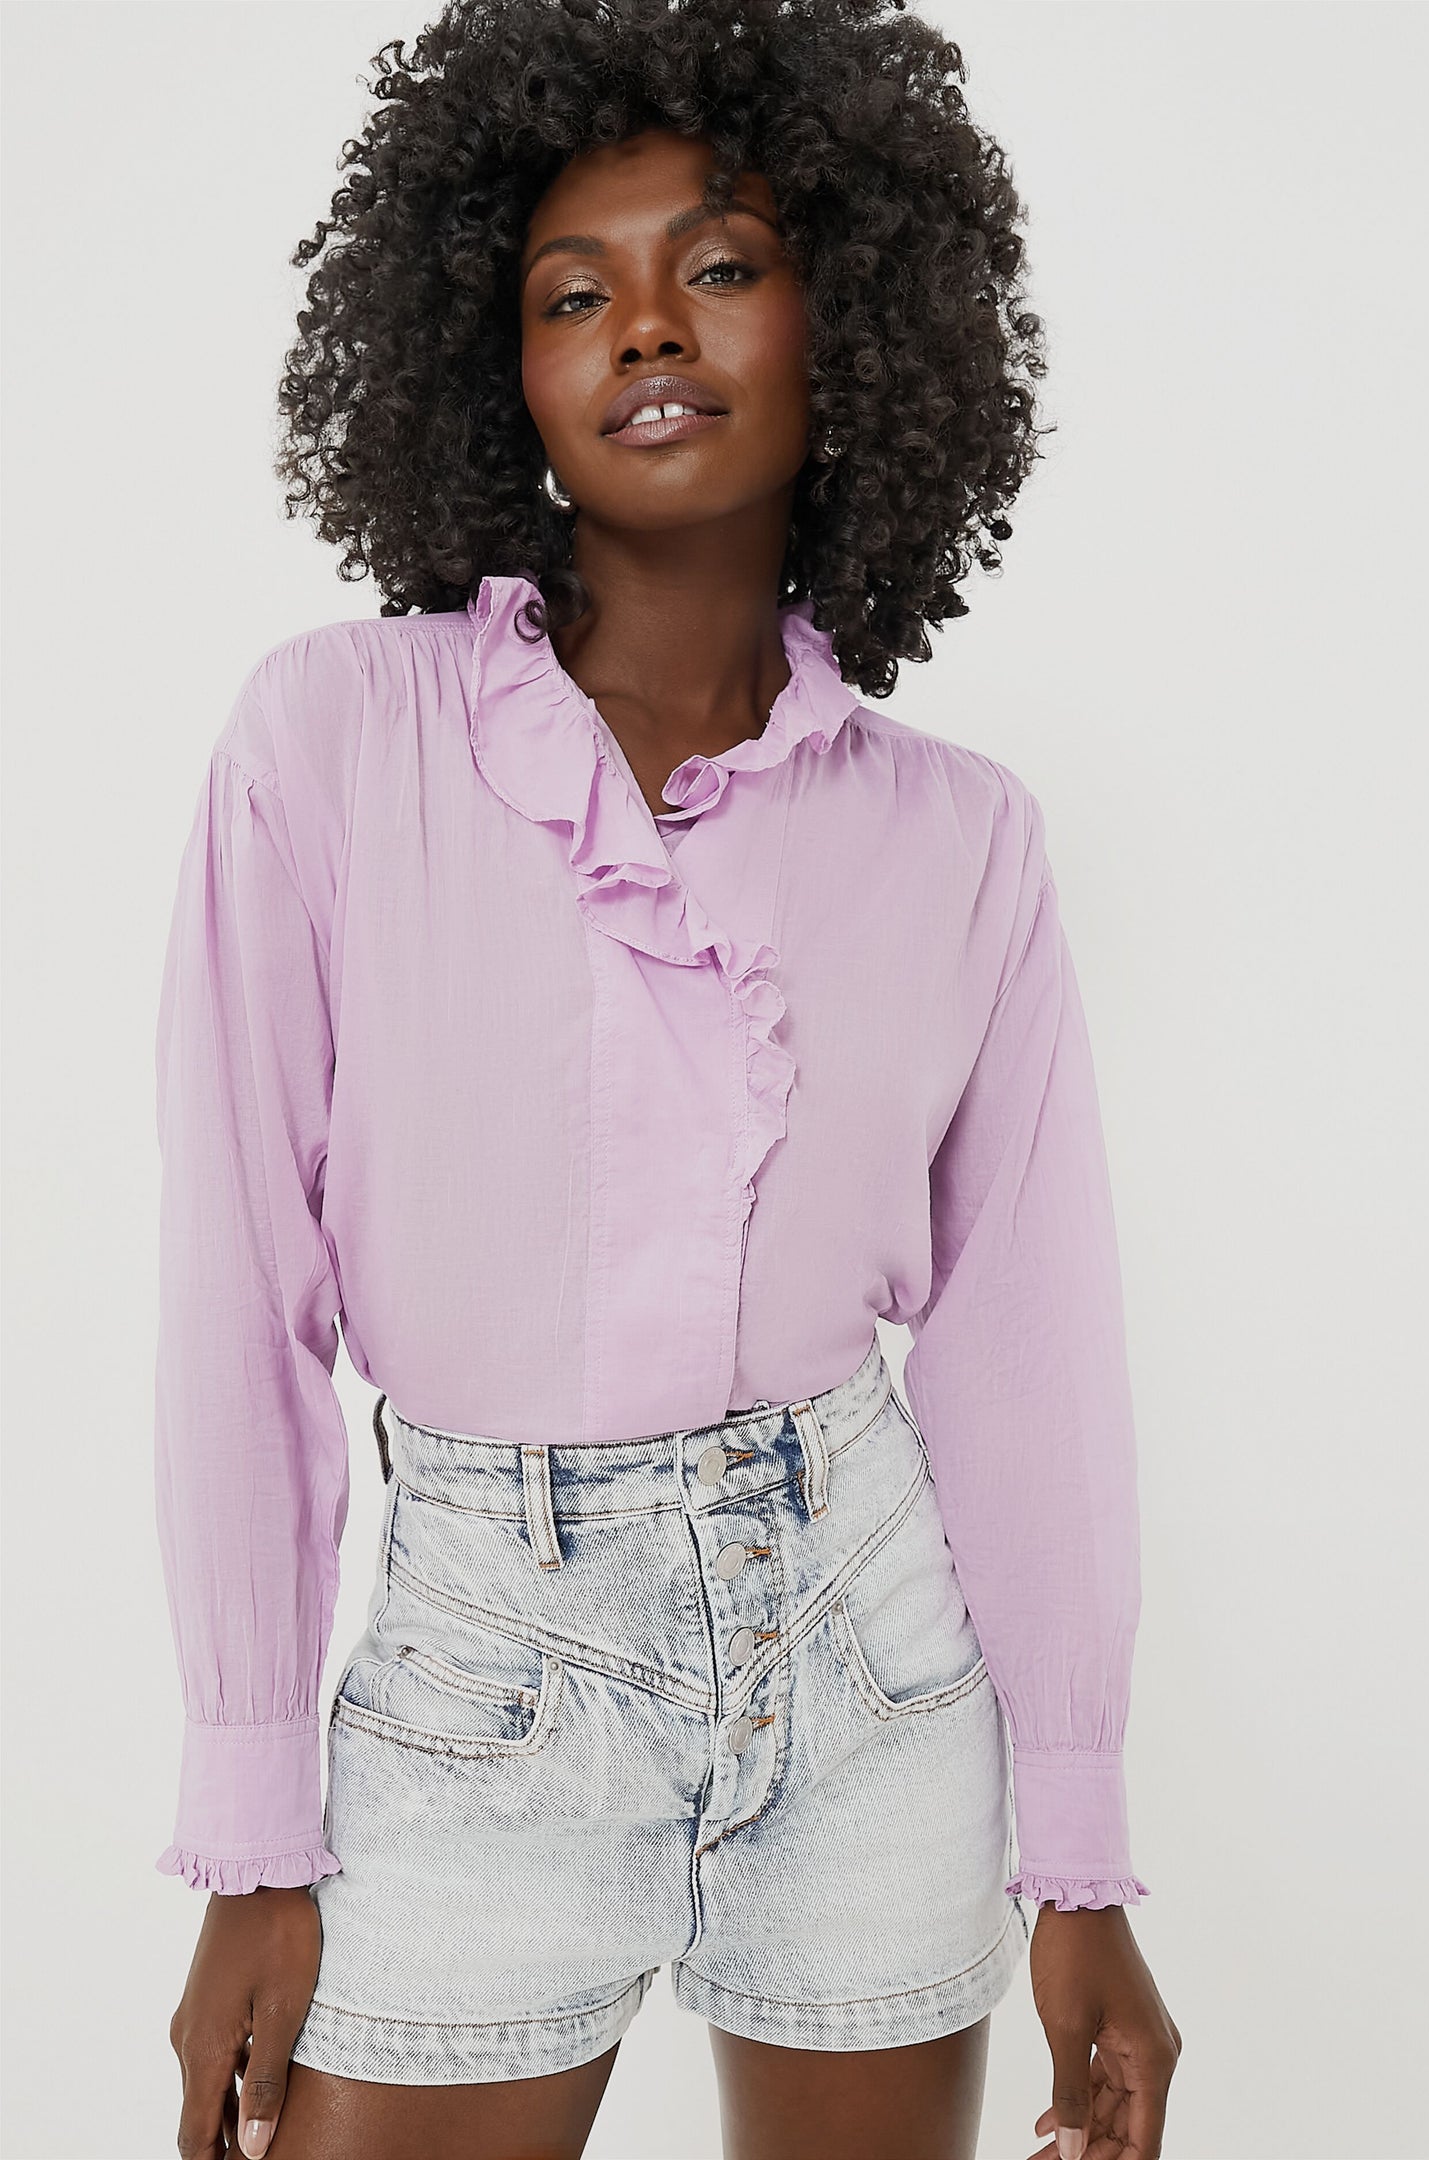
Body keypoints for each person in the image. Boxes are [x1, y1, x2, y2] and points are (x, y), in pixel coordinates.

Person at [155, 3, 1180, 2155]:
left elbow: (1029, 1353)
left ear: (852, 322)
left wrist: (1077, 1864)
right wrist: (251, 1820)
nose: (644, 326)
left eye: (719, 266)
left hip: (873, 1665)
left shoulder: (960, 836)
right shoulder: (331, 743)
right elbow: (236, 1297)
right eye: (570, 293)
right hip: (478, 1676)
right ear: (495, 372)